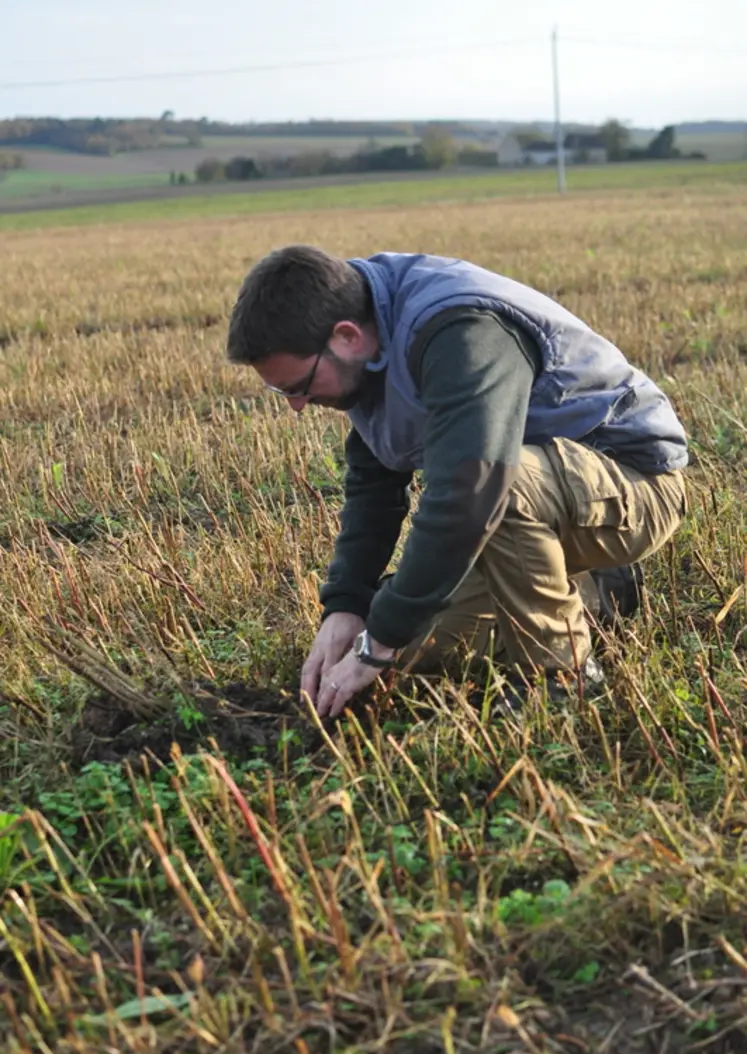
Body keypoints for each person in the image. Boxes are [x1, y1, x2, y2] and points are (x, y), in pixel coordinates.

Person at [227, 246, 687, 719]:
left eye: (297, 387)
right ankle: (598, 591)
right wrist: (348, 606)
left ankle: (561, 678)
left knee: (498, 491)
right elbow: (374, 485)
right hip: (538, 494)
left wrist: (377, 643)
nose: (296, 406)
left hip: (632, 484)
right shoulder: (370, 338)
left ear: (346, 337)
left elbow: (469, 496)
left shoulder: (460, 330)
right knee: (410, 652)